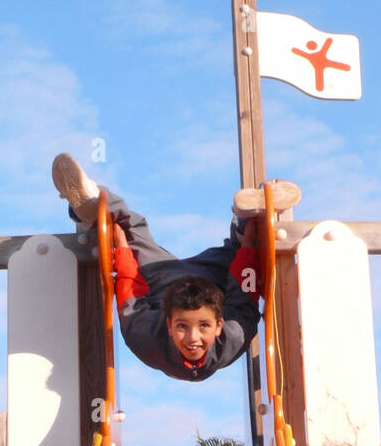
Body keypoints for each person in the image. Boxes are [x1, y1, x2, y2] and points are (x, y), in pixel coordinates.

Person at [51, 154, 300, 382]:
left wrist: (123, 251)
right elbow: (243, 295)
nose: (193, 338)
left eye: (202, 325)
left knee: (128, 229)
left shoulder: (147, 340)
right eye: (183, 326)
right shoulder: (234, 338)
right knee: (244, 251)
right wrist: (248, 244)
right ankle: (247, 220)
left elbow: (130, 298)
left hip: (160, 283)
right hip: (215, 281)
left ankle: (90, 203)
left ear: (217, 325)